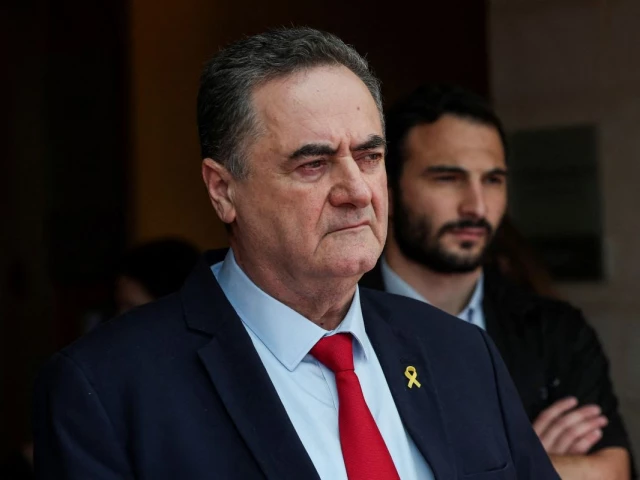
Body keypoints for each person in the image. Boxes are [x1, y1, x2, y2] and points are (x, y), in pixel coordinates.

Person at [33, 29, 559, 479]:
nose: (357, 191)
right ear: (222, 190)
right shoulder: (107, 388)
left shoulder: (462, 353)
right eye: (314, 164)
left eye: (369, 156)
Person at [360, 84, 633, 479]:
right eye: (447, 178)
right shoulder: (339, 321)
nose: (476, 206)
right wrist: (525, 462)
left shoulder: (555, 331)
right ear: (387, 188)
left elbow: (612, 471)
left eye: (493, 180)